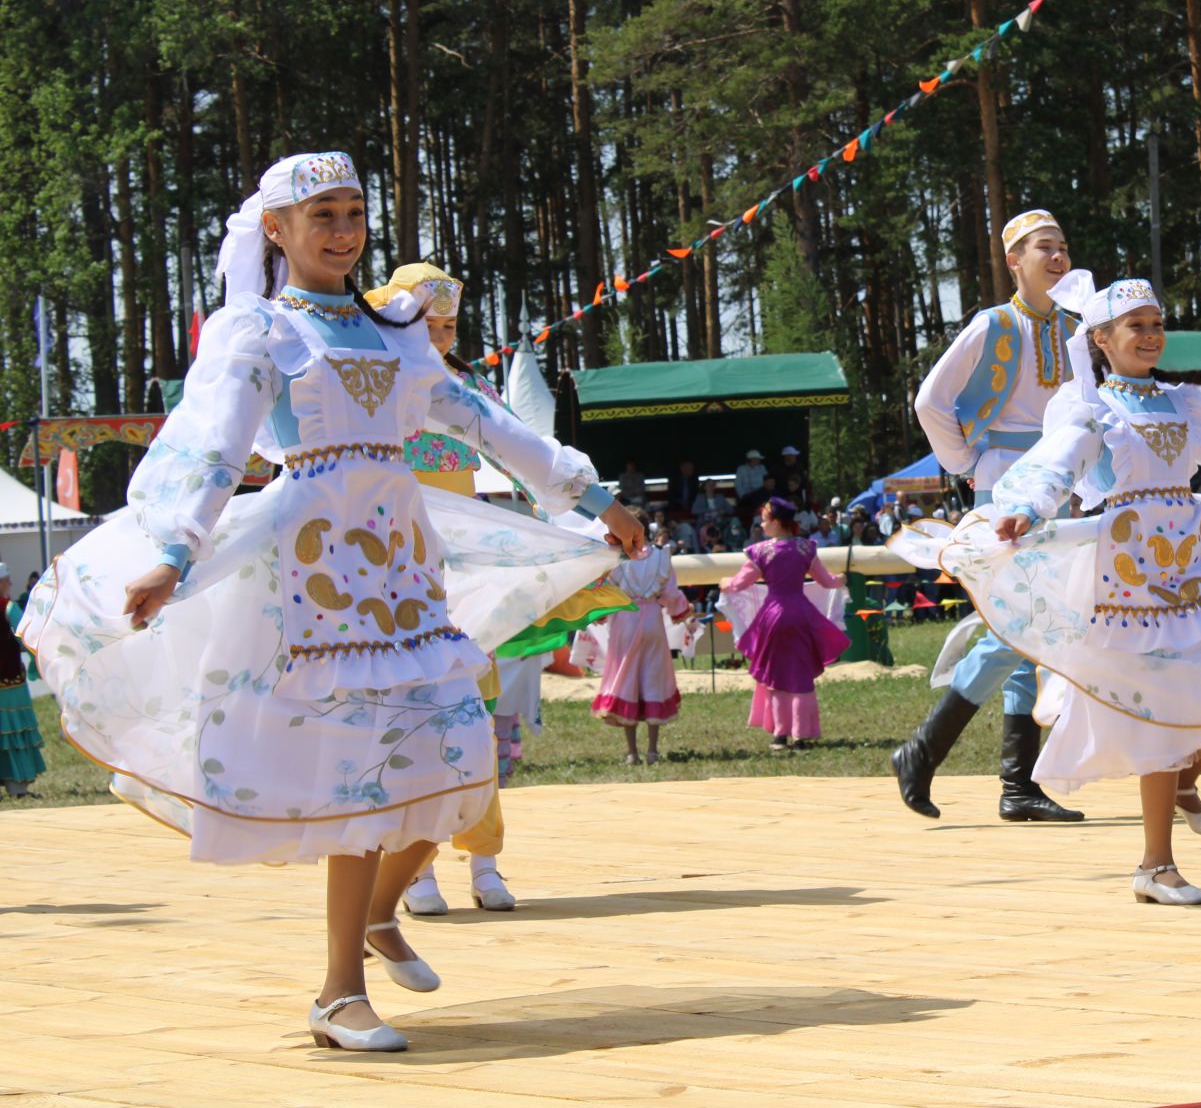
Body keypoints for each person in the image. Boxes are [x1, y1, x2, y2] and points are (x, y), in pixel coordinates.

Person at [16, 152, 646, 1053]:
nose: (344, 231)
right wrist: (171, 551)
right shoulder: (261, 333)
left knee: (461, 759)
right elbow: (213, 448)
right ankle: (340, 992)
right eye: (323, 215)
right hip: (310, 570)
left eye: (354, 212)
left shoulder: (398, 331)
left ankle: (383, 917)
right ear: (276, 229)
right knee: (363, 779)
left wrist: (593, 499)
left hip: (398, 561)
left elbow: (483, 421)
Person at [939, 272, 1201, 903]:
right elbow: (1058, 462)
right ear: (1101, 338)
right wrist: (1026, 507)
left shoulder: (1189, 404)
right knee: (1161, 710)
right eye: (1137, 326)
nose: (1151, 335)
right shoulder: (1093, 408)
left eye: (1157, 324)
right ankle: (1156, 866)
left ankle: (1187, 780)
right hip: (1131, 572)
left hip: (1195, 559)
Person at [374, 262, 634, 919]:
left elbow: (525, 454)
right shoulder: (369, 387)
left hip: (462, 581)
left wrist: (588, 516)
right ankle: (415, 873)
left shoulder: (464, 389)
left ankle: (484, 861)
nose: (435, 336)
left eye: (447, 325)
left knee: (472, 725)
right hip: (387, 576)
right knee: (407, 732)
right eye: (422, 323)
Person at [891, 208, 1087, 824]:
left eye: (1061, 247)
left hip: (1060, 476)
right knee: (1022, 624)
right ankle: (934, 753)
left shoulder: (1078, 327)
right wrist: (968, 459)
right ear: (1014, 261)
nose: (1057, 258)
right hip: (1005, 478)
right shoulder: (993, 324)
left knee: (1037, 628)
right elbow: (931, 399)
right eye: (1043, 249)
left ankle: (1011, 781)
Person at [722, 498, 849, 751]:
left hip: (773, 616)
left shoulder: (760, 552)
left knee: (776, 678)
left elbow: (739, 584)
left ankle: (780, 735)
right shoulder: (805, 548)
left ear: (777, 522)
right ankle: (801, 736)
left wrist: (724, 583)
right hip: (801, 614)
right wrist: (841, 579)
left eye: (765, 519)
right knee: (802, 677)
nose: (761, 523)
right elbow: (826, 581)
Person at [592, 535, 695, 765]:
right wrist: (683, 611)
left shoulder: (616, 558)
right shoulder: (660, 556)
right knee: (653, 681)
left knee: (626, 680)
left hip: (625, 619)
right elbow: (670, 593)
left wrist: (598, 613)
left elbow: (604, 590)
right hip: (652, 618)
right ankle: (652, 751)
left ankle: (632, 752)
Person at [0, 564, 47, 798]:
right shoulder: (7, 607)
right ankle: (17, 786)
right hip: (8, 683)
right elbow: (29, 635)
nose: (10, 584)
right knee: (13, 730)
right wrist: (35, 661)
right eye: (7, 580)